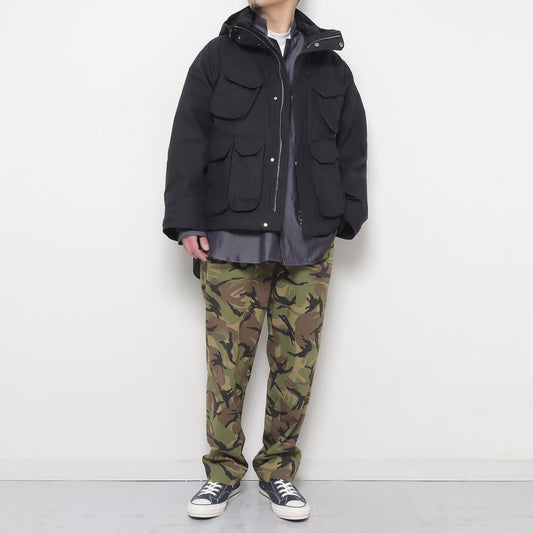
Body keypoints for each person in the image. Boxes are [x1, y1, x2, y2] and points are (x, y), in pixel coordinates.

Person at [162, 0, 367, 522]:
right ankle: (222, 472)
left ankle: (278, 472)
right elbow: (188, 139)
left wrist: (346, 215)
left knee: (296, 366)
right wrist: (186, 221)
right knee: (226, 364)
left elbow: (352, 147)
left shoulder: (330, 66)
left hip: (308, 242)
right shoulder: (217, 56)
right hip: (231, 240)